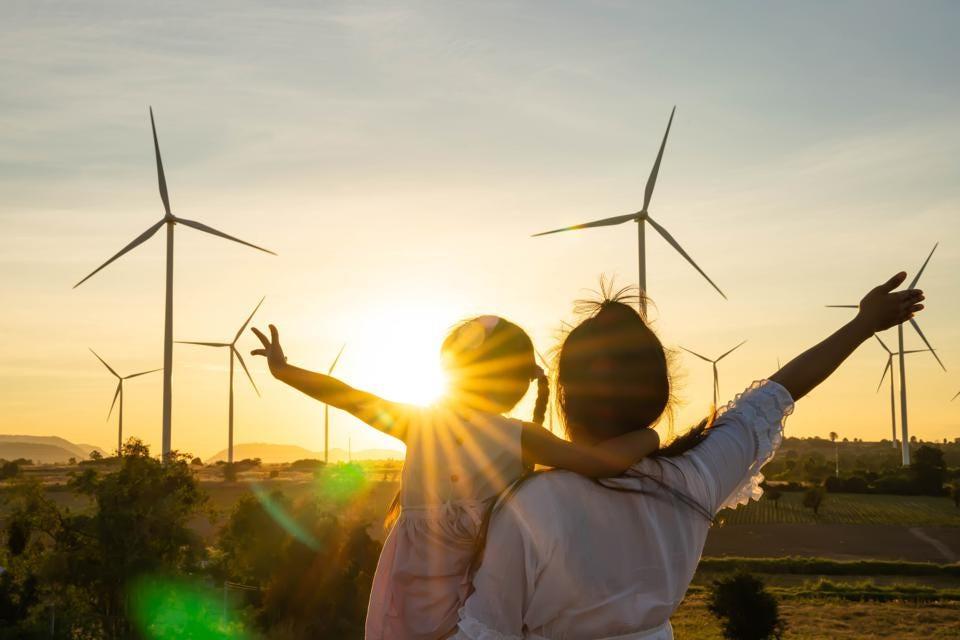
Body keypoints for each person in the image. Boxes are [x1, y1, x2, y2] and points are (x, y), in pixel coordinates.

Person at [453, 273, 924, 639]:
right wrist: (864, 325)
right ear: (660, 394)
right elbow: (779, 392)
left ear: (564, 396)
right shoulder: (693, 477)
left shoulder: (531, 506)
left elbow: (488, 630)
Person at [249, 315, 661, 639]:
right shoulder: (519, 437)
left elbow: (346, 397)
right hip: (476, 598)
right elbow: (599, 463)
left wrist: (284, 370)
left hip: (410, 592)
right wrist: (649, 436)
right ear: (517, 383)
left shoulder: (419, 422)